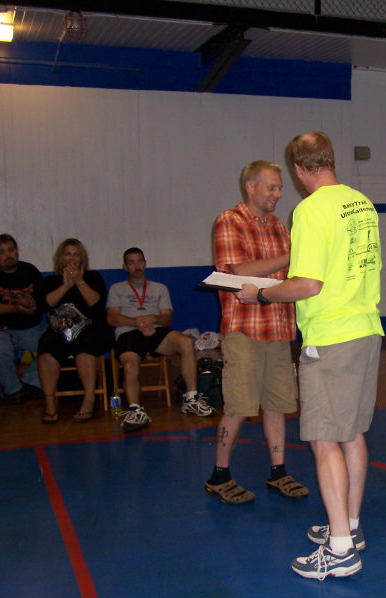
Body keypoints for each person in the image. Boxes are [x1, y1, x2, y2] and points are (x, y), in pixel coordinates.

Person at [238, 132, 383, 580]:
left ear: (299, 170)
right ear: (330, 160)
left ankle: (340, 551)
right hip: (366, 329)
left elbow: (308, 284)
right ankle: (350, 528)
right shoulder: (362, 203)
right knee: (351, 434)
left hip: (332, 337)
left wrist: (261, 295)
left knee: (324, 440)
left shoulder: (310, 209)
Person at [204, 160, 308, 505]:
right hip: (244, 330)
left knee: (277, 403)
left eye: (280, 188)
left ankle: (278, 472)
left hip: (278, 327)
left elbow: (291, 276)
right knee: (239, 405)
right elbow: (239, 271)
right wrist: (289, 257)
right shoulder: (229, 221)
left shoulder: (278, 226)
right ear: (251, 187)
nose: (278, 194)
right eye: (272, 187)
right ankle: (219, 475)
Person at [106, 247, 214, 432]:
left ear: (145, 263)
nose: (137, 266)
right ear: (125, 267)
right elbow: (112, 318)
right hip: (129, 332)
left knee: (186, 342)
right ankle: (135, 409)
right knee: (130, 364)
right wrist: (137, 322)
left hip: (155, 330)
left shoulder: (159, 288)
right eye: (131, 262)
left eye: (140, 261)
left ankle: (191, 398)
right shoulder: (117, 289)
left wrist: (153, 319)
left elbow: (167, 318)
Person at [37, 238, 114, 424]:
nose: (72, 258)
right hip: (61, 329)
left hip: (90, 328)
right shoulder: (51, 281)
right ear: (61, 257)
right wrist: (65, 286)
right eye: (68, 254)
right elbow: (46, 304)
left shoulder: (93, 278)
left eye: (76, 254)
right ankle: (50, 403)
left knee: (85, 345)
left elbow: (96, 304)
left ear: (82, 258)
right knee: (46, 346)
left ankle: (89, 400)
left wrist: (79, 281)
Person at [0, 234, 46, 403]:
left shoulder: (30, 270)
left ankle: (32, 383)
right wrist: (16, 308)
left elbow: (43, 301)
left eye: (11, 250)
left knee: (60, 337)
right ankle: (13, 390)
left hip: (31, 329)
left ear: (17, 251)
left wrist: (32, 304)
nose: (8, 255)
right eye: (2, 252)